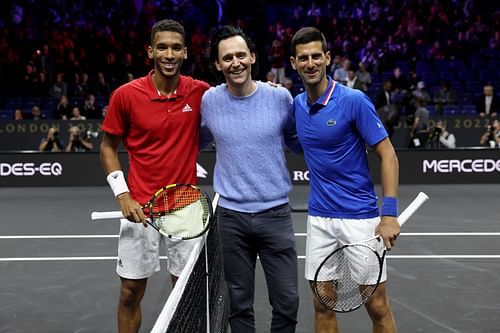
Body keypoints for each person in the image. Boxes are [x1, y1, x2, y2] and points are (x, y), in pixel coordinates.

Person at [99, 19, 209, 333]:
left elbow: (237, 100)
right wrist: (123, 194)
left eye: (176, 47)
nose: (169, 54)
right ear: (150, 51)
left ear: (186, 52)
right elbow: (107, 147)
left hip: (185, 210)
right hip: (139, 211)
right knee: (130, 291)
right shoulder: (126, 95)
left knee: (186, 293)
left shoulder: (199, 92)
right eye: (162, 47)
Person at [289, 27, 400, 333]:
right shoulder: (296, 105)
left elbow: (388, 155)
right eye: (303, 58)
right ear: (293, 63)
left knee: (376, 306)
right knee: (322, 304)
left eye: (315, 56)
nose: (310, 63)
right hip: (320, 220)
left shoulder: (354, 100)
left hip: (360, 221)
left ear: (327, 59)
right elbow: (300, 143)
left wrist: (389, 213)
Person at [199, 25, 301, 333]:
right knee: (238, 305)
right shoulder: (209, 101)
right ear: (218, 64)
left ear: (253, 57)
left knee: (287, 302)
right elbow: (195, 141)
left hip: (276, 215)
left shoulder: (280, 98)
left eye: (241, 55)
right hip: (231, 219)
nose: (235, 62)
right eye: (227, 57)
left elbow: (298, 141)